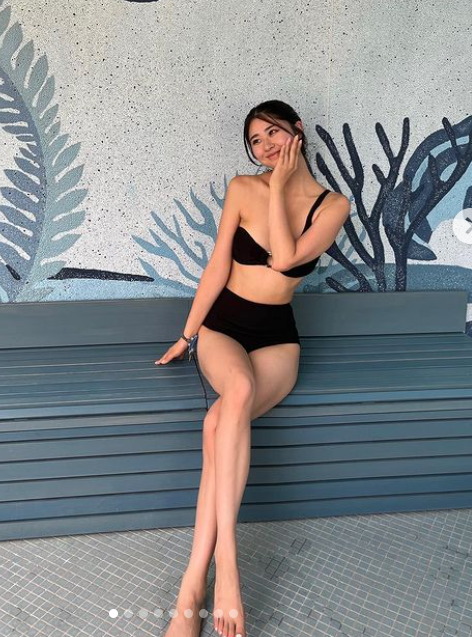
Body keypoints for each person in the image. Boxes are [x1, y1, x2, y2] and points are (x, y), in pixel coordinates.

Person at [155, 100, 350, 637]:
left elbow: (285, 260)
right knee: (236, 389)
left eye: (272, 133)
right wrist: (187, 335)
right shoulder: (242, 188)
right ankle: (225, 571)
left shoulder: (333, 205)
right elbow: (218, 264)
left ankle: (193, 585)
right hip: (224, 328)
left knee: (216, 422)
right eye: (256, 141)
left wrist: (282, 187)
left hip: (277, 339)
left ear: (298, 131)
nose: (264, 147)